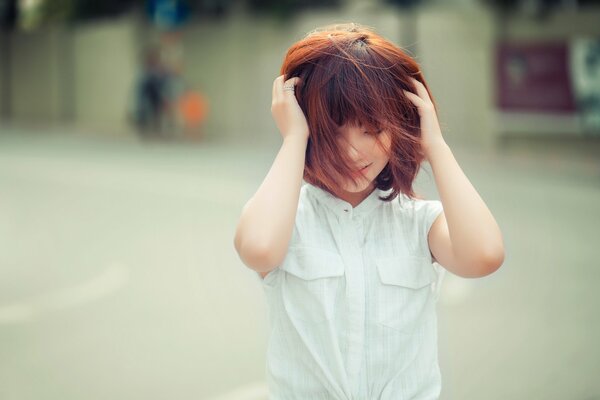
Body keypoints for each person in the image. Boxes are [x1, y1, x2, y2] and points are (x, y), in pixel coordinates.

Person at [233, 23, 505, 399]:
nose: (353, 152)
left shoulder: (419, 223)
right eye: (334, 132)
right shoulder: (287, 220)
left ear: (399, 126)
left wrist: (435, 143)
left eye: (372, 129)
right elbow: (258, 249)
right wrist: (293, 138)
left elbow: (485, 256)